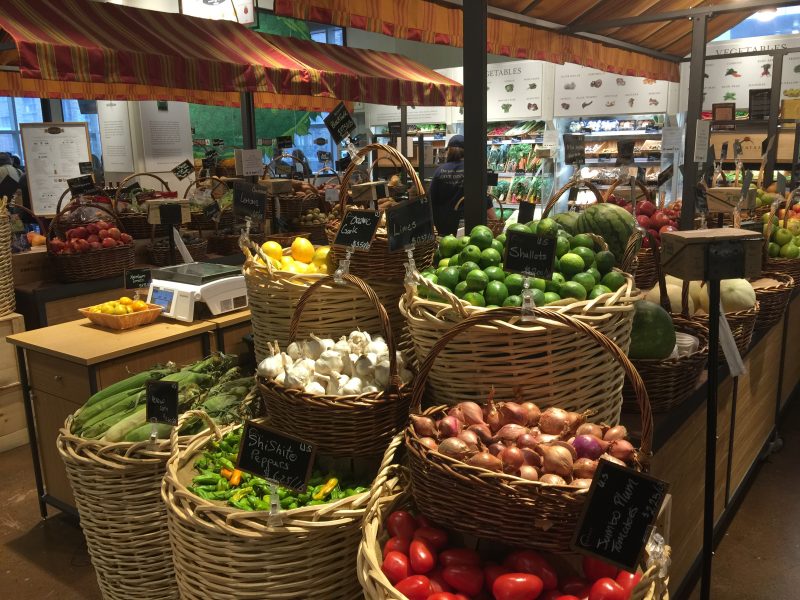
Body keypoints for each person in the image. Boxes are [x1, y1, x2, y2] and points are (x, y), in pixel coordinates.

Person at [427, 135, 497, 236]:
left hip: (444, 227)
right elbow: (484, 198)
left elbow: (431, 200)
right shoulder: (473, 170)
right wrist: (495, 221)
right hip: (468, 225)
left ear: (449, 151)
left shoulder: (439, 171)